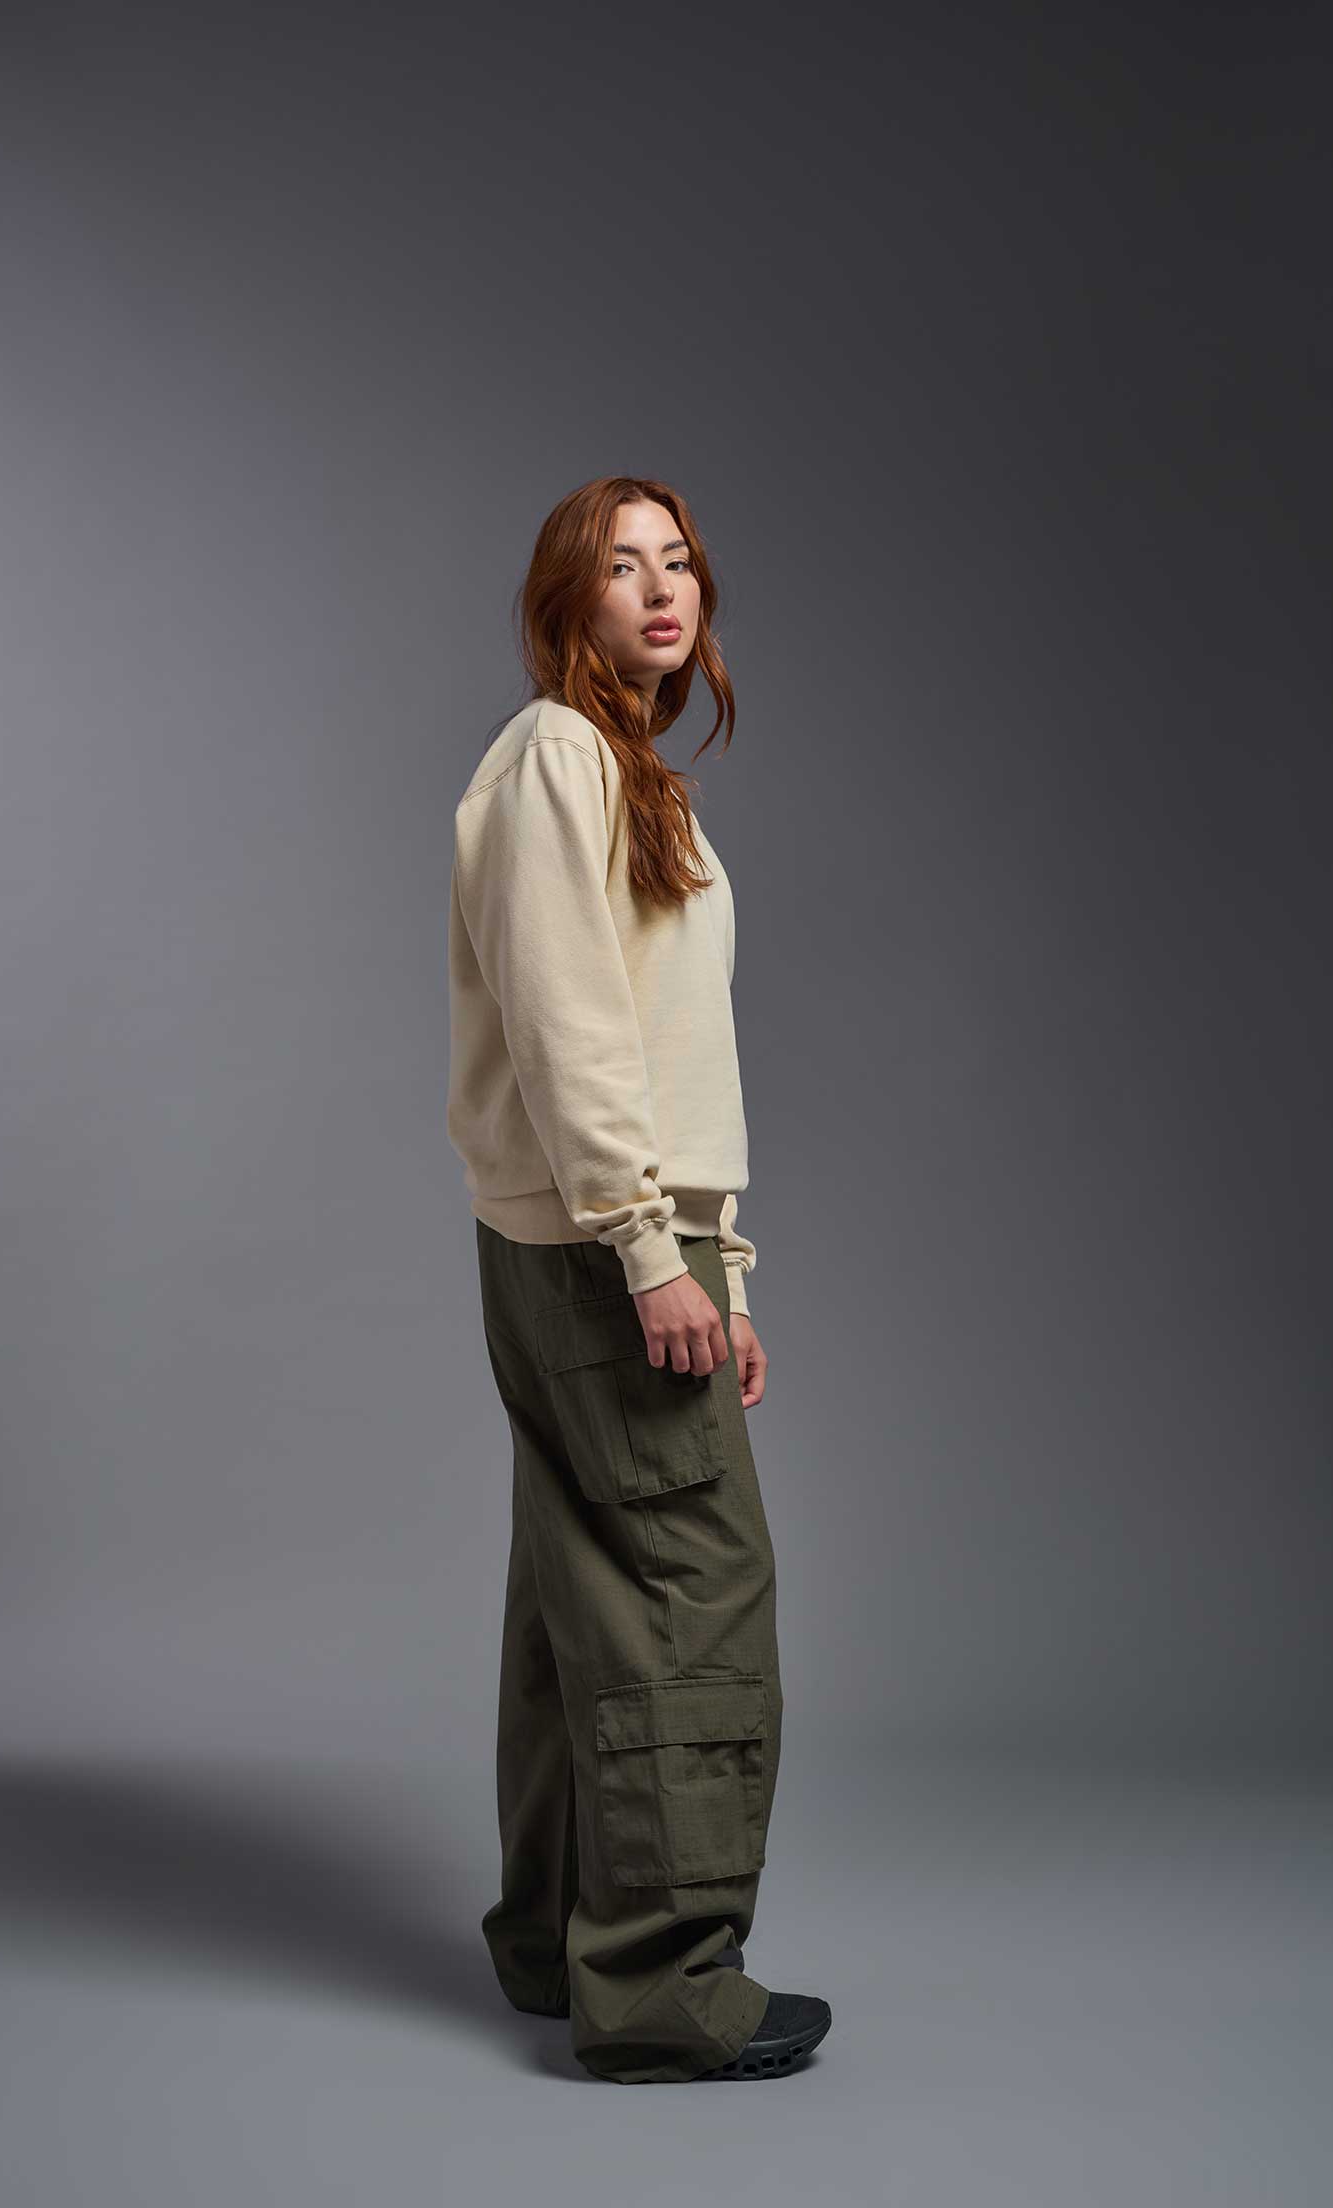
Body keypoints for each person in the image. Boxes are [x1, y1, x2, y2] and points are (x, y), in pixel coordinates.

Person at [446, 475, 830, 2085]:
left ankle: (558, 1940)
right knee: (689, 1593)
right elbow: (572, 1027)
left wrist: (718, 1269)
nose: (662, 590)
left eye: (678, 562)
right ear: (568, 600)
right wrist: (647, 1247)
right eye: (622, 566)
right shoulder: (556, 754)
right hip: (602, 1249)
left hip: (605, 1244)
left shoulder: (615, 769)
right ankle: (663, 1985)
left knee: (581, 1593)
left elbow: (670, 1049)